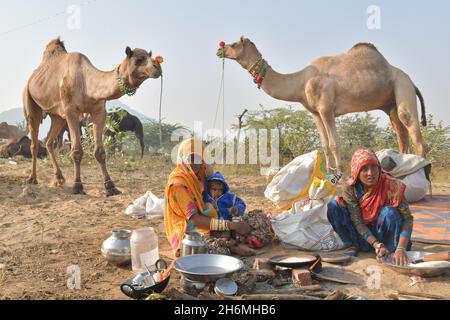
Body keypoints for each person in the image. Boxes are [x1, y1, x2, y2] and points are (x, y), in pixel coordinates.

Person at [164, 138, 253, 257]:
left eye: (199, 158)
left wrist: (232, 215)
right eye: (191, 158)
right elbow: (194, 220)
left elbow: (215, 181)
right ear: (182, 158)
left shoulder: (200, 172)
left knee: (257, 221)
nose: (195, 163)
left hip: (208, 216)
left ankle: (230, 240)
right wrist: (233, 225)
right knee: (215, 252)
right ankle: (230, 245)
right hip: (189, 229)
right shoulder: (178, 185)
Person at [327, 149, 414, 266]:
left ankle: (390, 249)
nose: (370, 173)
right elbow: (357, 221)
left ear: (379, 168)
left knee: (390, 212)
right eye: (364, 169)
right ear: (356, 171)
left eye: (374, 167)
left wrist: (401, 248)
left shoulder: (392, 185)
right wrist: (376, 244)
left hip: (383, 233)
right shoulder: (350, 188)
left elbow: (408, 219)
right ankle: (353, 245)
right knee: (334, 206)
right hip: (362, 235)